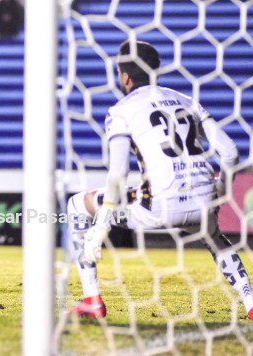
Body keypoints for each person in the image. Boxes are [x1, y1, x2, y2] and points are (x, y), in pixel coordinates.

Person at [67, 40, 253, 319]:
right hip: (203, 201)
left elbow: (117, 173)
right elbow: (230, 152)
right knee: (216, 239)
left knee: (75, 206)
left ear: (124, 76)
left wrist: (102, 225)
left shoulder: (121, 110)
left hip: (158, 204)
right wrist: (219, 195)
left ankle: (92, 299)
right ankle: (250, 301)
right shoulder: (186, 101)